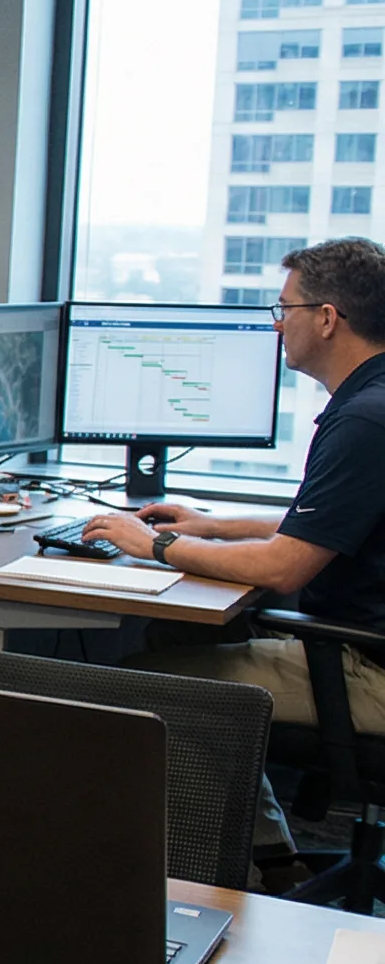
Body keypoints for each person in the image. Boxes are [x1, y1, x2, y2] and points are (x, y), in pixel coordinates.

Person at [89, 237, 385, 736]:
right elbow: (332, 521)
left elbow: (284, 568)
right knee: (171, 633)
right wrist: (214, 527)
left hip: (365, 666)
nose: (276, 324)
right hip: (360, 645)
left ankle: (251, 819)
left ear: (327, 319)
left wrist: (156, 545)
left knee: (134, 688)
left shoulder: (363, 421)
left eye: (286, 309)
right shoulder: (372, 401)